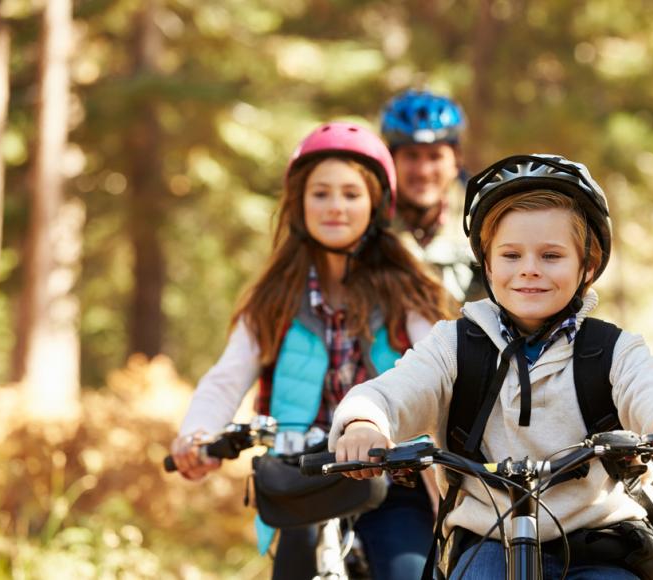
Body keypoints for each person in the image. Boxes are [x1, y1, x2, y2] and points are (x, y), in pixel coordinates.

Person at [330, 154, 653, 579]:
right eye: (511, 255)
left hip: (600, 540)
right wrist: (365, 423)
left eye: (551, 256)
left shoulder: (613, 350)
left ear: (586, 265)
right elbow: (392, 392)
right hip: (489, 539)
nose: (529, 271)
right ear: (488, 262)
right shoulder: (453, 345)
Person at [169, 121, 454, 580]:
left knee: (410, 571)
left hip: (394, 481)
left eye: (351, 194)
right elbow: (227, 376)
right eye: (320, 193)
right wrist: (198, 434)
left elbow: (443, 369)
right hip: (305, 477)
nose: (336, 207)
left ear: (376, 204)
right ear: (299, 204)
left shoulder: (407, 290)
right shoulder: (275, 296)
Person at [380, 89, 483, 303]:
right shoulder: (368, 222)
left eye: (435, 156)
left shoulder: (485, 221)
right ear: (391, 160)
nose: (423, 171)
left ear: (456, 161)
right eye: (411, 156)